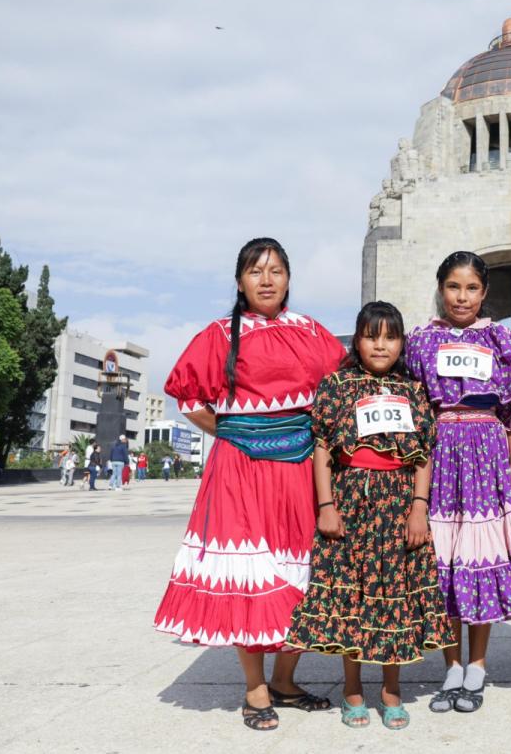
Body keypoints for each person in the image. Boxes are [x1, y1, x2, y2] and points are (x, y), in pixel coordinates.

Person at [153, 237, 346, 731]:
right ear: (239, 281)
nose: (266, 280)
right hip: (240, 470)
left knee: (306, 574)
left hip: (301, 468)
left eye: (276, 270)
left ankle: (285, 679)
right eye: (256, 271)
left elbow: (343, 386)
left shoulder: (311, 332)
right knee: (250, 575)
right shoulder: (219, 334)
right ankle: (255, 687)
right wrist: (237, 432)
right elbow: (186, 396)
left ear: (289, 278)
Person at [286, 301, 450, 731]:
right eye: (371, 335)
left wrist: (420, 507)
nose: (381, 344)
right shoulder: (337, 386)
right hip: (349, 500)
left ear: (401, 343)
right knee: (352, 597)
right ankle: (353, 688)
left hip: (399, 505)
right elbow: (323, 446)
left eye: (390, 336)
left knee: (393, 595)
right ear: (357, 340)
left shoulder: (413, 390)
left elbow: (424, 455)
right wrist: (326, 506)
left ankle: (391, 690)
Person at [405, 252, 511, 714]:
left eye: (472, 288)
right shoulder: (420, 340)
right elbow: (414, 406)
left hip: (487, 450)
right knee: (445, 559)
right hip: (440, 453)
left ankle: (477, 665)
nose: (463, 297)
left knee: (479, 554)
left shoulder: (500, 336)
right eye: (454, 287)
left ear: (484, 292)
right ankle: (451, 666)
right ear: (441, 287)